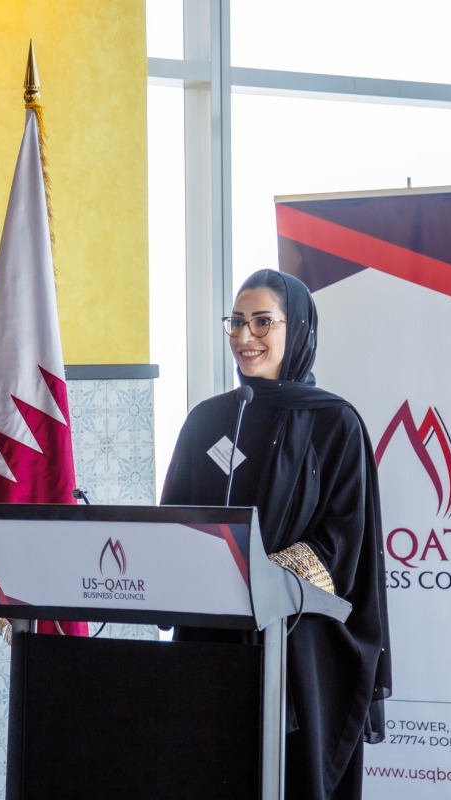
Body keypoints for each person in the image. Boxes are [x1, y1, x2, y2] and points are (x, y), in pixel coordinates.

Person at [161, 268, 391, 799]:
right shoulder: (207, 420)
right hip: (211, 642)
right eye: (237, 323)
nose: (245, 338)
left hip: (300, 647)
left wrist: (257, 577)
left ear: (299, 329)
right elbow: (174, 516)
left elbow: (344, 539)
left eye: (263, 322)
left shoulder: (337, 423)